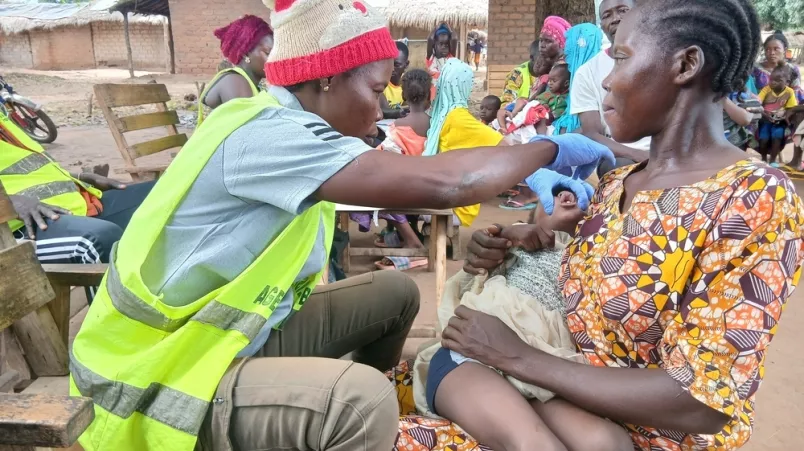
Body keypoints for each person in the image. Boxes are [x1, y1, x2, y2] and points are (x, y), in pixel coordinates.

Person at [68, 1, 615, 450]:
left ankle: (332, 426)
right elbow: (446, 183)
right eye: (376, 92)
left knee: (395, 295)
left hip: (226, 341)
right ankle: (346, 422)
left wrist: (516, 182)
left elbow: (426, 178)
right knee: (359, 401)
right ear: (328, 79)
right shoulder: (268, 135)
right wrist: (544, 150)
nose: (380, 110)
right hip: (156, 376)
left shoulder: (295, 126)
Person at [441, 1, 804, 450]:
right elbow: (598, 265)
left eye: (622, 57)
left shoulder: (752, 197)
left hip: (638, 436)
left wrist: (516, 356)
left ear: (686, 64)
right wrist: (518, 242)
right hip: (544, 401)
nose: (607, 80)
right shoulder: (619, 183)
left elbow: (701, 401)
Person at [416, 187, 633, 451]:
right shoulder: (514, 249)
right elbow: (469, 278)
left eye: (585, 195)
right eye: (555, 192)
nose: (570, 195)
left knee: (609, 443)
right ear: (531, 214)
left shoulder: (595, 263)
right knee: (538, 446)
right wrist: (506, 232)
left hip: (541, 376)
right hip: (471, 357)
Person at [0, 110, 153, 300]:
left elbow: (23, 171)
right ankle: (109, 327)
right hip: (17, 230)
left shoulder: (3, 116)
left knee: (163, 196)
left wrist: (80, 178)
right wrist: (10, 202)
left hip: (69, 207)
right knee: (94, 240)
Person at [424, 59, 510, 227]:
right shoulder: (459, 118)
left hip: (432, 194)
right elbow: (505, 147)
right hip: (454, 204)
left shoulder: (439, 112)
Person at [571, 0, 651, 176]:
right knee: (620, 170)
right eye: (607, 16)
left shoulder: (663, 56)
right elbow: (592, 133)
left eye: (623, 10)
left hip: (671, 150)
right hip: (623, 154)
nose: (615, 19)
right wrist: (638, 154)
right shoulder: (587, 72)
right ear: (602, 26)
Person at [198, 15, 273, 125]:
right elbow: (252, 132)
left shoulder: (254, 83)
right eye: (268, 53)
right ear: (246, 54)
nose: (275, 58)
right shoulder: (234, 82)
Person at [757, 65, 798, 165]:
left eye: (778, 80)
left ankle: (772, 160)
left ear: (787, 82)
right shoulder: (766, 90)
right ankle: (763, 158)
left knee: (777, 137)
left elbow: (791, 108)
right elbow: (758, 103)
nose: (773, 82)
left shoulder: (789, 92)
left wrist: (784, 117)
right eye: (771, 80)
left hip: (780, 121)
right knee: (763, 139)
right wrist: (764, 114)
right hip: (765, 119)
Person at [752, 31, 804, 103]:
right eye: (768, 49)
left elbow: (796, 93)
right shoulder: (754, 69)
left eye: (776, 49)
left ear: (784, 50)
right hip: (758, 108)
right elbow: (749, 91)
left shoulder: (792, 70)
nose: (772, 53)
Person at [380, 41, 410, 119]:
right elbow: (383, 110)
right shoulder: (380, 82)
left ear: (406, 65)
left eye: (396, 65)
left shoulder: (407, 84)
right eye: (389, 63)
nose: (392, 68)